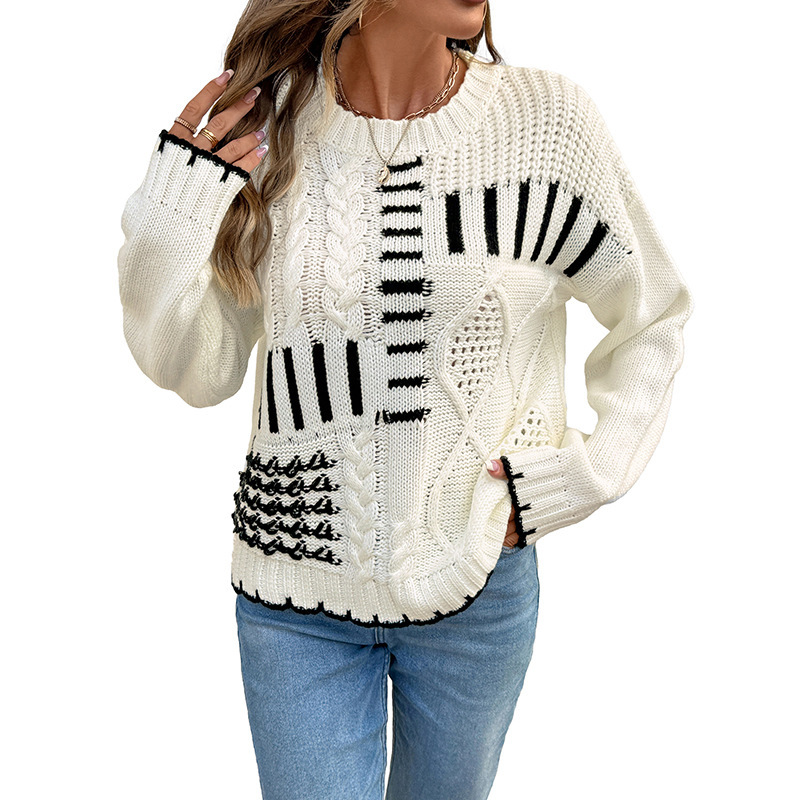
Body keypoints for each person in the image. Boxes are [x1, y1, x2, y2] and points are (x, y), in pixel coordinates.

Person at [116, 1, 694, 797]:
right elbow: (198, 368)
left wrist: (581, 477)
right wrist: (167, 222)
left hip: (477, 584)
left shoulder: (546, 124)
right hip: (295, 585)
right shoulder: (272, 128)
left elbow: (653, 315)